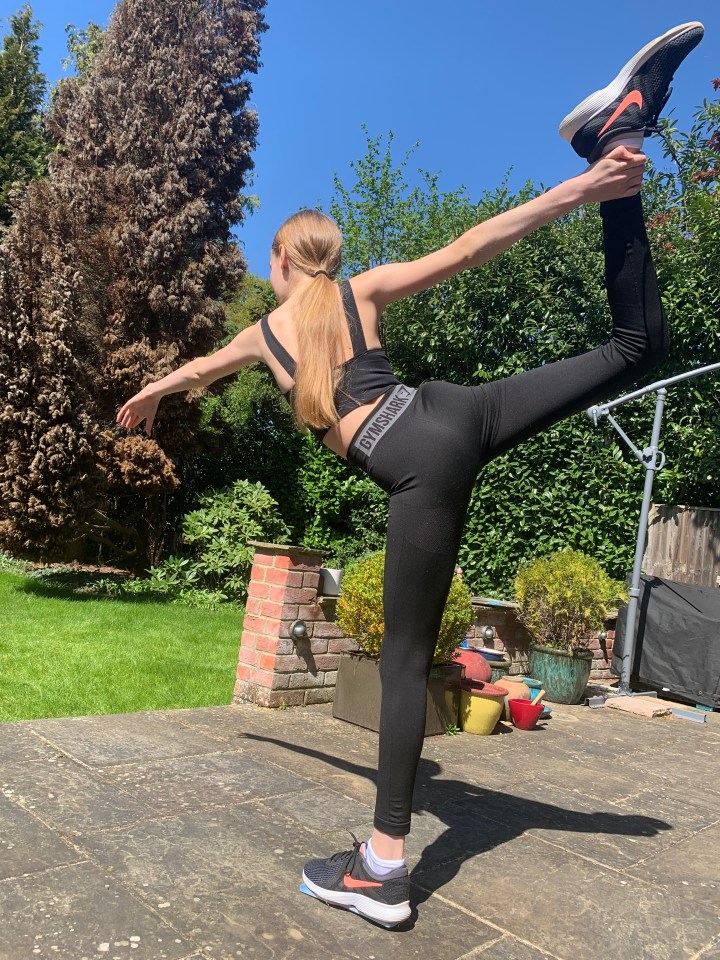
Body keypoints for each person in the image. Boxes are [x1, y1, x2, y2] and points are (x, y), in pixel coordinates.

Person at [117, 22, 704, 928]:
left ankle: (383, 870)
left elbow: (198, 371)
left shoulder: (261, 336)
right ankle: (618, 139)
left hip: (421, 463)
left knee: (399, 666)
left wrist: (151, 394)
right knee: (636, 347)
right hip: (452, 416)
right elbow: (472, 246)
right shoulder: (359, 290)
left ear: (281, 262)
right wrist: (584, 188)